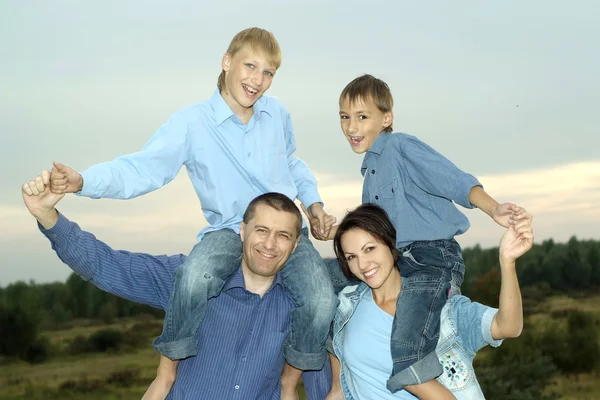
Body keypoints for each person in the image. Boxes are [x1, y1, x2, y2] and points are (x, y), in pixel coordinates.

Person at [47, 27, 337, 398]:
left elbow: (293, 163)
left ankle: (288, 383)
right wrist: (83, 181)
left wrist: (314, 206)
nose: (258, 80)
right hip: (228, 230)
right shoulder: (191, 123)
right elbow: (143, 168)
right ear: (227, 61)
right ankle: (168, 372)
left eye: (268, 73)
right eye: (250, 66)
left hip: (285, 235)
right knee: (195, 277)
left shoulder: (277, 114)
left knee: (321, 298)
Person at [304, 74, 527, 396]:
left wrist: (494, 209)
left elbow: (453, 180)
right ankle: (337, 379)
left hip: (431, 258)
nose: (352, 127)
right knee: (319, 283)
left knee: (407, 344)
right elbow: (378, 231)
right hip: (397, 258)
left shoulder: (400, 147)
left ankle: (413, 373)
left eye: (362, 117)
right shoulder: (371, 170)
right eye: (345, 117)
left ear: (387, 118)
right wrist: (332, 233)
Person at [22, 172, 332, 399]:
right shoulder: (188, 278)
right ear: (241, 230)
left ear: (294, 247)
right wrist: (48, 217)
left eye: (283, 235)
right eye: (261, 230)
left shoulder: (302, 305)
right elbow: (108, 265)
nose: (269, 244)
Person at [326, 203, 532, 399]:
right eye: (351, 257)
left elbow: (508, 327)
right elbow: (336, 356)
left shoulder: (441, 309)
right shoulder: (347, 304)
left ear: (391, 243)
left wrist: (507, 262)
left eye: (369, 248)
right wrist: (336, 388)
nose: (362, 264)